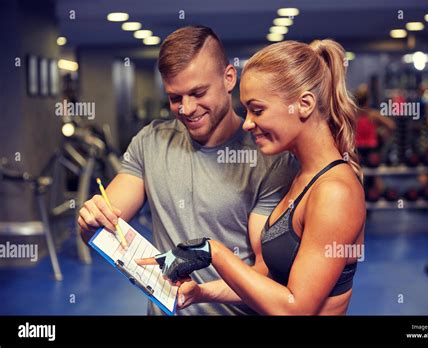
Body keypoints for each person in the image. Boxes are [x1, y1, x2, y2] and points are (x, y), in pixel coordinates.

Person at [77, 25, 298, 315]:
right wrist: (91, 219)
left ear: (229, 78)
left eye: (198, 92)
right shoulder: (151, 142)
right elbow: (105, 227)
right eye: (175, 98)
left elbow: (265, 271)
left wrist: (203, 292)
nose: (187, 108)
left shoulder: (269, 158)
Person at [137, 39, 366, 315]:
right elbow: (270, 283)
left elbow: (295, 308)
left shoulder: (335, 191)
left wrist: (213, 252)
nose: (247, 123)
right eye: (246, 110)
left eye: (257, 110)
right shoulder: (303, 177)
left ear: (304, 105)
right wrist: (201, 292)